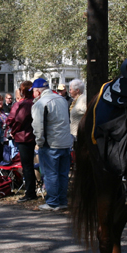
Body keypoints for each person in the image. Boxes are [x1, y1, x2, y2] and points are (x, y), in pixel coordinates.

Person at [31, 78, 73, 211]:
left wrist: (40, 142)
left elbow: (38, 127)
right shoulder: (61, 99)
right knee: (62, 174)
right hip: (65, 142)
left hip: (51, 144)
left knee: (50, 174)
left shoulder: (40, 104)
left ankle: (53, 202)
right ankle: (62, 201)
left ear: (37, 91)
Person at [6, 81, 38, 202]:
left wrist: (13, 131)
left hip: (25, 137)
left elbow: (19, 120)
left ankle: (30, 192)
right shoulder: (33, 103)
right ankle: (31, 191)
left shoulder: (26, 104)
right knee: (29, 165)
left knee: (27, 166)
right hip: (31, 135)